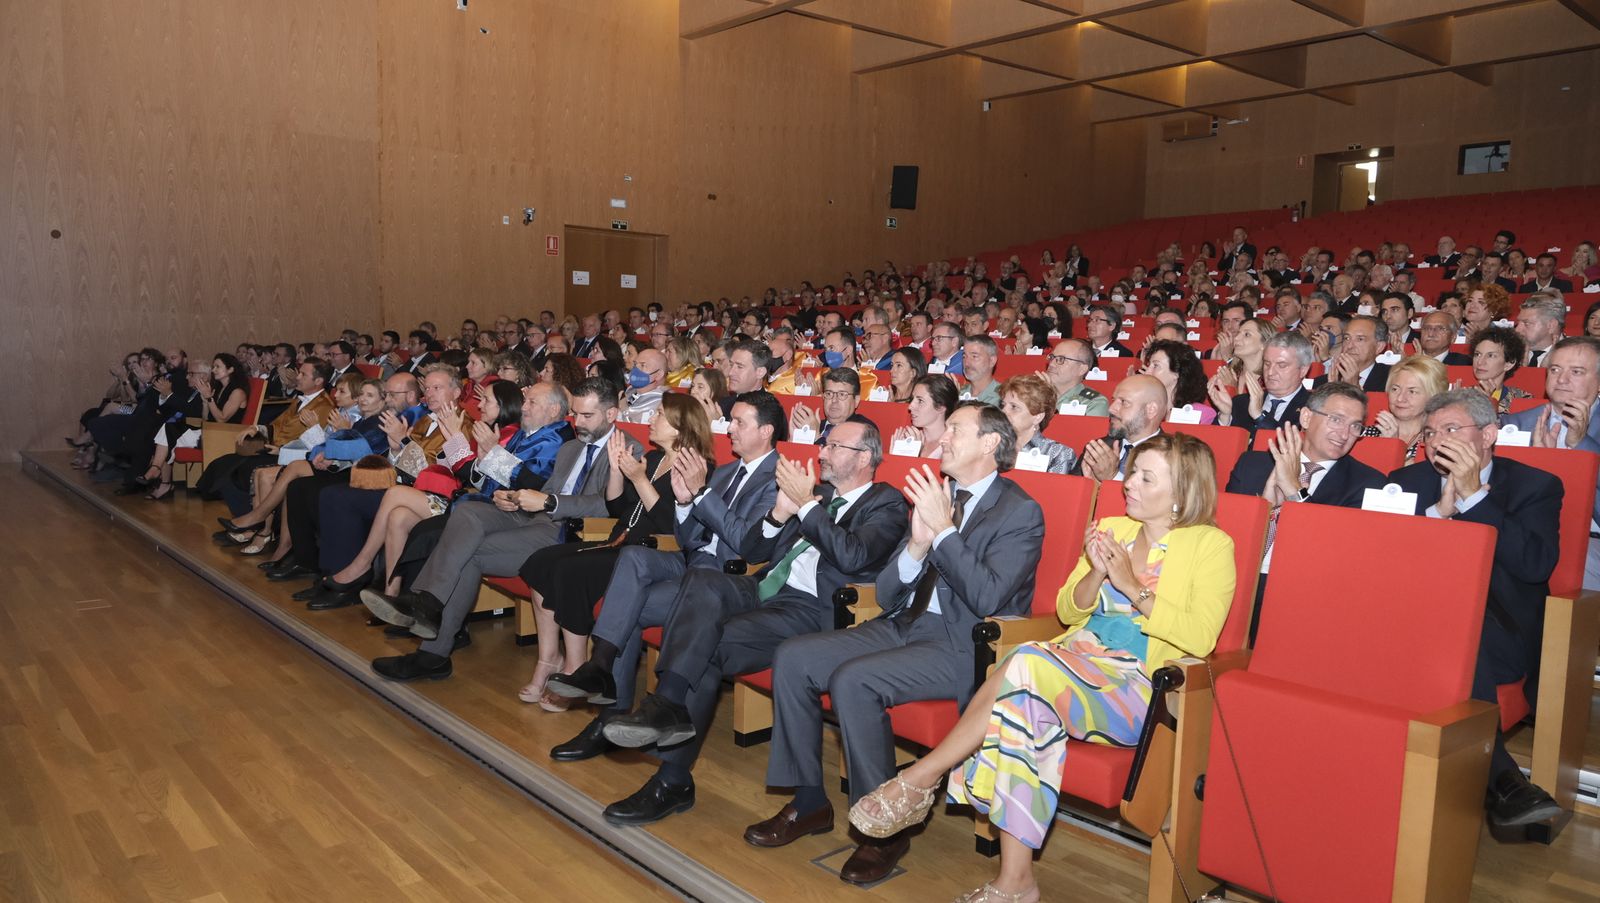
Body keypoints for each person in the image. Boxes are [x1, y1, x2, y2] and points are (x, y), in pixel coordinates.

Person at [847, 433, 1231, 902]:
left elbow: (1199, 638)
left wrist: (1132, 586)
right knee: (1021, 715)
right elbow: (1069, 611)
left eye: (1145, 477)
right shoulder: (1114, 527)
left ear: (1182, 492)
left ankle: (922, 776)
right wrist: (1096, 570)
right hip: (1074, 667)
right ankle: (1016, 883)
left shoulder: (1211, 547)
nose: (1128, 483)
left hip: (1138, 688)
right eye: (1132, 472)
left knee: (1026, 660)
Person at [752, 403, 1045, 885]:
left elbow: (988, 596)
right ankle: (808, 802)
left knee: (854, 680)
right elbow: (887, 594)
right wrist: (915, 546)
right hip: (903, 623)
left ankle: (883, 832)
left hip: (964, 644)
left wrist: (945, 533)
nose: (943, 438)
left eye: (955, 429)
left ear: (990, 443)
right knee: (795, 656)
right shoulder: (938, 494)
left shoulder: (1019, 511)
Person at [597, 421, 910, 826]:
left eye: (834, 446)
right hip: (765, 589)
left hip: (812, 610)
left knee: (705, 647)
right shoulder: (816, 494)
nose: (822, 452)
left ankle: (671, 778)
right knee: (703, 580)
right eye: (824, 443)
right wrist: (781, 513)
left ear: (865, 457)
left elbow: (852, 557)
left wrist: (808, 507)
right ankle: (668, 704)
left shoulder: (886, 504)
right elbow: (753, 548)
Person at [543, 392, 784, 760]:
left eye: (739, 422)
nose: (729, 428)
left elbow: (748, 546)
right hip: (691, 564)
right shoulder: (724, 472)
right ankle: (602, 678)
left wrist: (700, 494)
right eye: (731, 420)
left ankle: (615, 711)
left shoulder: (776, 479)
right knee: (635, 559)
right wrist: (686, 505)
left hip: (727, 578)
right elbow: (688, 540)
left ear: (765, 431)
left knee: (633, 605)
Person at [360, 378, 636, 681]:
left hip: (566, 532)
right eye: (576, 414)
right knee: (467, 512)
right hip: (530, 515)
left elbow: (607, 506)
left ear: (611, 415)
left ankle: (432, 652)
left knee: (469, 555)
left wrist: (549, 501)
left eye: (587, 416)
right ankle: (427, 604)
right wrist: (510, 496)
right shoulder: (572, 447)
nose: (577, 423)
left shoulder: (627, 448)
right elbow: (544, 487)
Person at [1388, 389, 1563, 827]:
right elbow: (1385, 561)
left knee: (1456, 630)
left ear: (1488, 434)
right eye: (1430, 433)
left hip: (1499, 630)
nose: (1437, 441)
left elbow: (1534, 565)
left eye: (1450, 430)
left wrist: (1474, 499)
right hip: (1410, 621)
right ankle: (1502, 778)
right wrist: (1436, 516)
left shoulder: (1535, 486)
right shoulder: (1404, 482)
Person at [516, 394, 717, 711]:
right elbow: (616, 507)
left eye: (660, 414)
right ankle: (548, 659)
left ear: (681, 427)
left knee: (570, 571)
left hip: (649, 554)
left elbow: (672, 526)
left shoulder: (697, 468)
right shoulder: (651, 459)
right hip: (618, 539)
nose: (652, 419)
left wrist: (637, 479)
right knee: (541, 561)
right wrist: (615, 472)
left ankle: (575, 667)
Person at [308, 383, 568, 611]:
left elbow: (466, 475)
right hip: (452, 495)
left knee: (389, 495)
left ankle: (362, 568)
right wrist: (401, 445)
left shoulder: (491, 428)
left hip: (464, 500)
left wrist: (455, 440)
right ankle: (391, 593)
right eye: (427, 388)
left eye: (436, 388)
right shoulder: (433, 422)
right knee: (396, 515)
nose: (479, 403)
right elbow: (465, 473)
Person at [1502, 336, 1600, 589]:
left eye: (1576, 372)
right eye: (1555, 369)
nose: (1562, 379)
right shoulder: (1514, 425)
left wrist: (1581, 445)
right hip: (1523, 535)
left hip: (1592, 540)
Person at [1213, 332, 1313, 437]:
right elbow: (1214, 446)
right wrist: (1225, 416)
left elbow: (1290, 447)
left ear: (1303, 370)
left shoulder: (1313, 408)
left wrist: (1260, 416)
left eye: (1281, 365)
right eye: (1267, 364)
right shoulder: (1240, 402)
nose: (1270, 372)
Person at [1072, 375, 1169, 481]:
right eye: (1113, 400)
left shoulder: (1173, 456)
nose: (1111, 409)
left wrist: (1113, 477)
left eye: (1124, 402)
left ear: (1151, 410)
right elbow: (1071, 494)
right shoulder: (1097, 450)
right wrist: (1092, 487)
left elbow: (1157, 497)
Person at [1363, 355, 1446, 463]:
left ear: (1433, 396)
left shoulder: (1437, 441)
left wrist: (1393, 447)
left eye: (1412, 391)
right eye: (1395, 389)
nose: (1400, 398)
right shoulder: (1364, 435)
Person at [999, 374, 1077, 473]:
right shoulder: (991, 445)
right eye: (1003, 405)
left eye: (1014, 407)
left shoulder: (1059, 454)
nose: (1003, 411)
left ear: (1037, 417)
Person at [789, 368, 873, 445]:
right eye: (829, 393)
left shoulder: (864, 429)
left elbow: (843, 459)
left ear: (856, 400)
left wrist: (816, 437)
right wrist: (792, 442)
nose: (834, 400)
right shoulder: (815, 425)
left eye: (842, 394)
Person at [1141, 340, 1216, 424]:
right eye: (1148, 365)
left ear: (1177, 373)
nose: (1147, 372)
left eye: (1156, 365)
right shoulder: (1141, 409)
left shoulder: (1199, 414)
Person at [1316, 314, 1390, 392]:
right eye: (1347, 338)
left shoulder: (1391, 380)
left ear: (1379, 347)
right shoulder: (1324, 382)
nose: (1350, 346)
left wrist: (1354, 389)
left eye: (1360, 339)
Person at [1468, 327, 1532, 415]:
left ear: (1509, 364)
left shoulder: (1522, 398)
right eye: (1477, 354)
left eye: (1491, 356)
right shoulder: (1459, 396)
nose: (1480, 362)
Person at [893, 375, 958, 458]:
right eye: (912, 399)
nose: (910, 406)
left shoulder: (953, 446)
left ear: (941, 407)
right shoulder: (907, 439)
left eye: (920, 401)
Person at [1044, 339, 1108, 415]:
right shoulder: (1035, 394)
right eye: (1051, 357)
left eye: (1061, 359)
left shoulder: (1094, 403)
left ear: (1081, 369)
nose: (1051, 364)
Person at [1514, 293, 1566, 368]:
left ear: (1551, 325)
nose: (1517, 329)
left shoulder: (1574, 355)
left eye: (1526, 323)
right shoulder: (1509, 354)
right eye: (1518, 323)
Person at [619, 349, 668, 423]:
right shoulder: (631, 390)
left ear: (659, 374)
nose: (635, 370)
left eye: (642, 365)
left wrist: (623, 410)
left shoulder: (664, 403)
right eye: (635, 364)